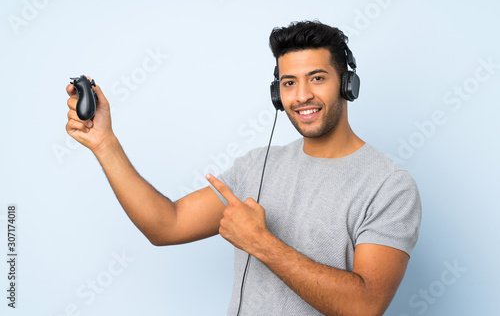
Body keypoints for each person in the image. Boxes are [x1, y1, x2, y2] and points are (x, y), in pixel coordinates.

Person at [65, 20, 421, 316]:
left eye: (317, 78)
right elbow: (166, 225)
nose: (301, 97)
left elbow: (366, 305)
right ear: (276, 94)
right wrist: (105, 144)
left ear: (347, 85)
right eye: (289, 83)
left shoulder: (388, 186)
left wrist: (261, 243)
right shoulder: (258, 165)